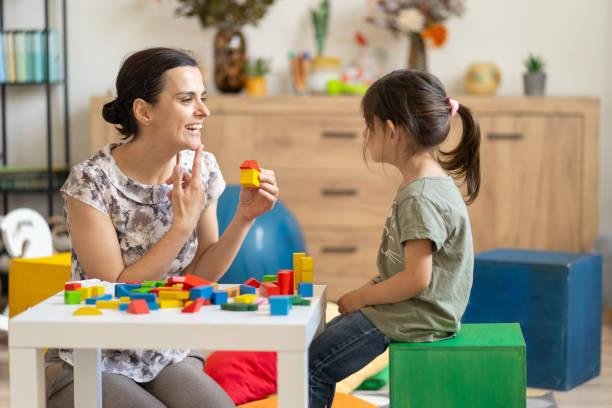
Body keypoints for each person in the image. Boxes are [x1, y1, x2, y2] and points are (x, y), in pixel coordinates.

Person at [45, 47, 279, 408]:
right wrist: (180, 228)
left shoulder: (203, 168)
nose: (204, 111)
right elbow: (115, 291)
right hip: (92, 355)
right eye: (187, 99)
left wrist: (244, 217)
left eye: (202, 98)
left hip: (165, 351)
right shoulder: (91, 182)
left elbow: (201, 275)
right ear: (144, 111)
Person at [308, 69, 481, 407]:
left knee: (312, 366)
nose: (365, 135)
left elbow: (417, 279)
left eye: (369, 126)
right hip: (409, 311)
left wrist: (362, 297)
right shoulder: (431, 183)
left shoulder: (419, 196)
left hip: (411, 316)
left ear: (390, 131)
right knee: (322, 342)